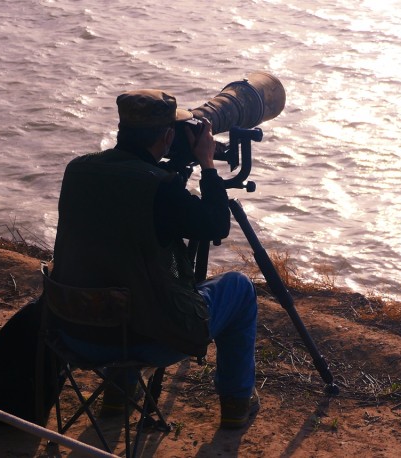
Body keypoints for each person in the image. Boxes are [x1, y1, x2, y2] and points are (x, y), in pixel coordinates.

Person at [51, 89, 259, 429]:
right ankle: (237, 405)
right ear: (167, 136)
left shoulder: (78, 170)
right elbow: (215, 224)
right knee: (238, 288)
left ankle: (117, 399)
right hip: (146, 340)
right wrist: (207, 164)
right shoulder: (160, 188)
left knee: (121, 276)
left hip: (73, 329)